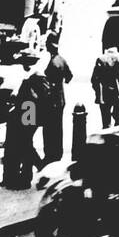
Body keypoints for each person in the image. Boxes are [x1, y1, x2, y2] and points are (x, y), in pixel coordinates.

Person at [4, 57, 48, 189]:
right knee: (26, 144)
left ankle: (42, 169)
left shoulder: (32, 77)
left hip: (28, 111)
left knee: (26, 144)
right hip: (29, 111)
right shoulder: (34, 75)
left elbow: (28, 98)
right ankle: (27, 177)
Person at [41, 34, 73, 163]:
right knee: (58, 128)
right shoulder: (61, 60)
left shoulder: (52, 63)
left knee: (49, 129)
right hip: (60, 99)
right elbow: (69, 77)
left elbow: (49, 85)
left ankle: (50, 154)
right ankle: (57, 152)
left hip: (51, 101)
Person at [91, 48, 119, 129]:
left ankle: (107, 138)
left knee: (106, 123)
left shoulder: (101, 59)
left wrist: (97, 93)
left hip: (104, 94)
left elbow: (94, 79)